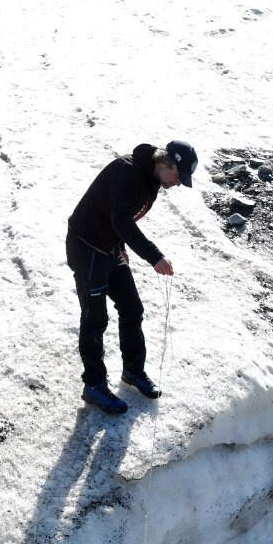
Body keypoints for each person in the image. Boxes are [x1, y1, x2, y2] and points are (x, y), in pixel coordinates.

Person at [65, 140, 197, 415]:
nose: (179, 183)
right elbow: (122, 221)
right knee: (95, 318)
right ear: (166, 163)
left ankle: (133, 371)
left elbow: (120, 222)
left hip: (111, 246)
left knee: (132, 308)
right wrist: (154, 256)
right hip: (87, 248)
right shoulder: (128, 173)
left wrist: (124, 248)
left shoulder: (151, 177)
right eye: (178, 176)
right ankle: (94, 385)